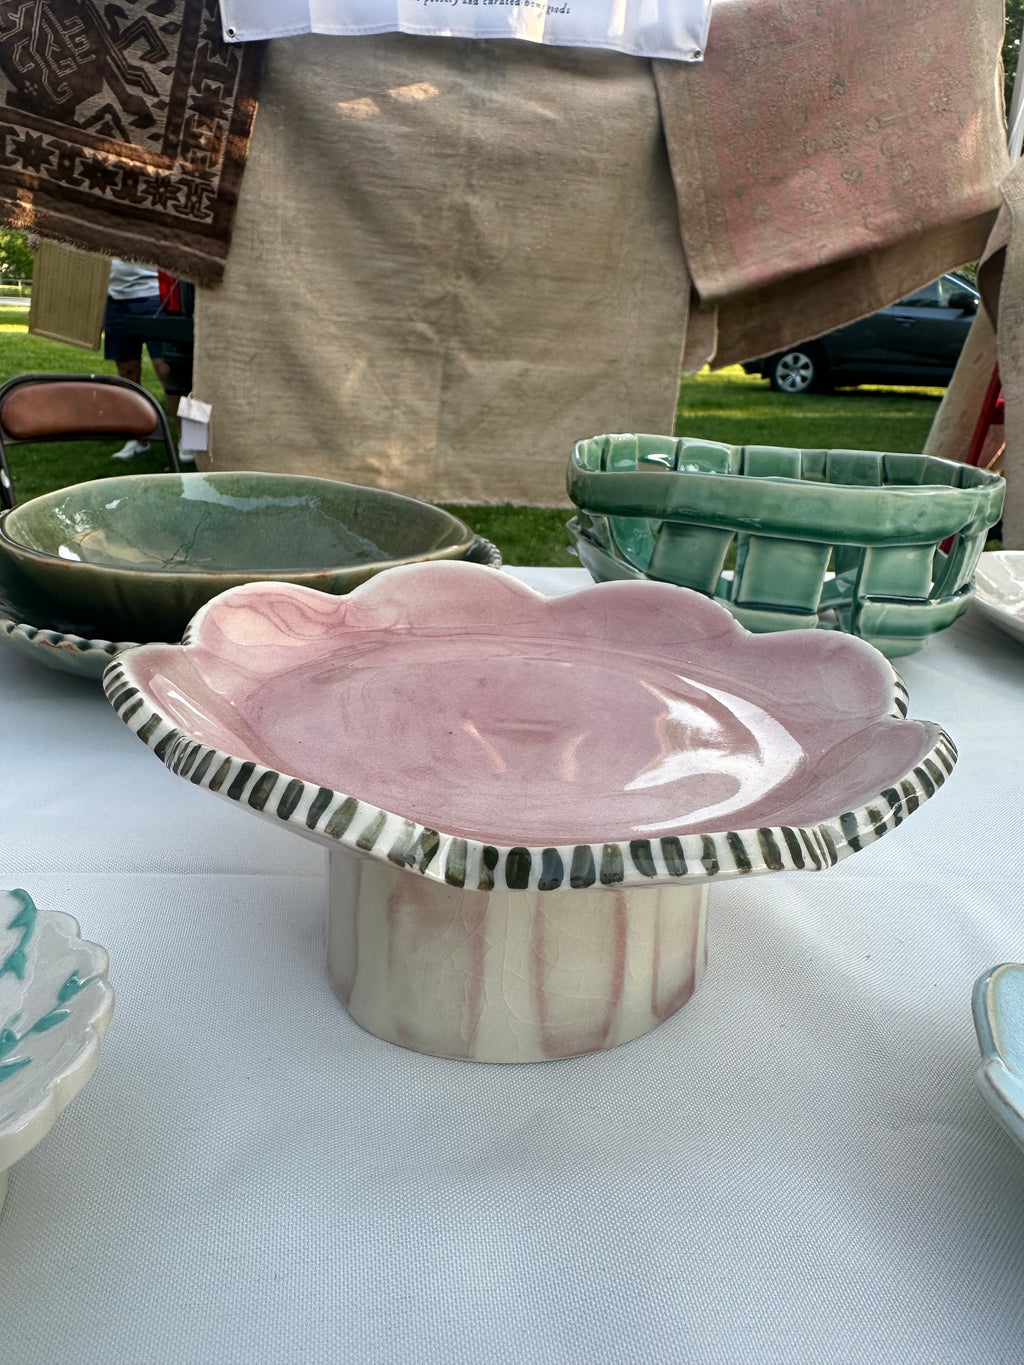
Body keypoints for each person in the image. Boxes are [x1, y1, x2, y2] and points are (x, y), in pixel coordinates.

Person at [102, 257, 176, 460]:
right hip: (115, 298)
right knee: (127, 372)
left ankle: (190, 441)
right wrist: (40, 234)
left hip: (154, 294)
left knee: (168, 370)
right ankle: (139, 439)